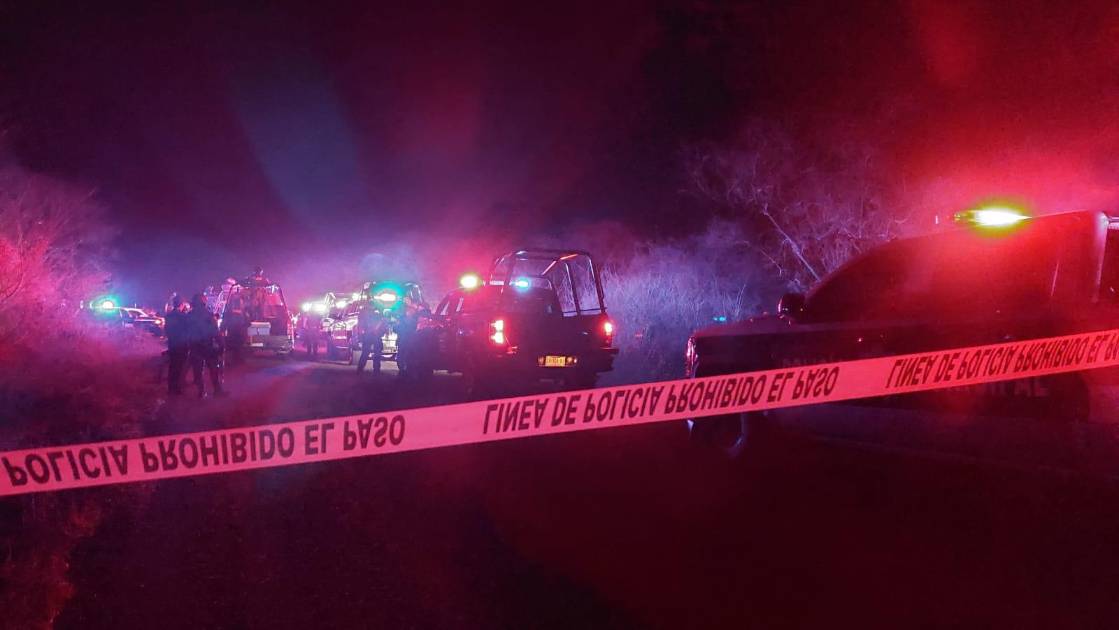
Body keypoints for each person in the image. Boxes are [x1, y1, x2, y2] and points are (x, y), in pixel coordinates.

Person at [187, 293, 226, 398]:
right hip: (207, 346)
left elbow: (186, 331)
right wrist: (221, 344)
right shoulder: (208, 315)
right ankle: (217, 390)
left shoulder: (189, 315)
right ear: (203, 302)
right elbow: (215, 332)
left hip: (195, 346)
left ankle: (201, 391)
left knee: (198, 370)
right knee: (213, 368)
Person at [396, 294, 431, 380]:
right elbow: (398, 328)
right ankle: (406, 373)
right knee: (406, 357)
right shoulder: (406, 317)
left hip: (411, 341)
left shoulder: (419, 316)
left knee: (410, 358)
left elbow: (414, 328)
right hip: (407, 340)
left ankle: (409, 374)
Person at [164, 295, 190, 395]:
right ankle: (177, 388)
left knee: (172, 366)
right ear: (182, 304)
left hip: (172, 344)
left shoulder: (169, 316)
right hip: (181, 345)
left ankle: (171, 388)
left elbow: (167, 330)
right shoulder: (183, 317)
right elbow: (188, 330)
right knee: (179, 367)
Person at [355, 303, 386, 375]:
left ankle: (360, 369)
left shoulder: (364, 312)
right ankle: (376, 370)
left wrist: (360, 336)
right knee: (375, 353)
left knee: (366, 352)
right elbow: (383, 323)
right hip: (373, 335)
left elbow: (360, 324)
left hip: (369, 335)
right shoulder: (377, 312)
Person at [221, 298, 250, 366]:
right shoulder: (243, 314)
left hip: (232, 336)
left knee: (234, 351)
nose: (243, 305)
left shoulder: (228, 313)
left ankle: (233, 362)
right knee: (238, 351)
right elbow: (248, 324)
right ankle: (237, 362)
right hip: (240, 336)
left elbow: (224, 325)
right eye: (242, 303)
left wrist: (222, 332)